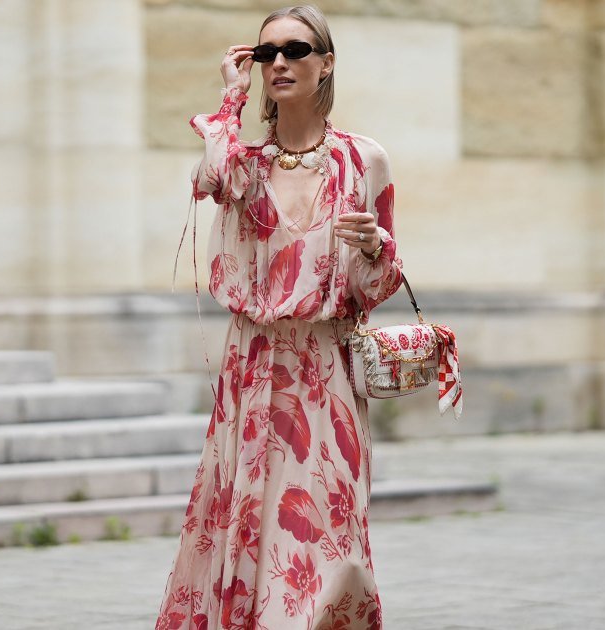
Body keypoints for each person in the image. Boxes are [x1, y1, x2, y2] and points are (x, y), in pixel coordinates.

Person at [157, 5, 402, 629]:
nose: (281, 63)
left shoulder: (362, 160)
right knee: (246, 522)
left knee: (329, 529)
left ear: (326, 63)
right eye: (267, 54)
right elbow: (208, 175)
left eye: (296, 50)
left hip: (326, 369)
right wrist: (230, 99)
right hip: (254, 365)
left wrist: (374, 246)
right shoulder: (247, 163)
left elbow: (378, 286)